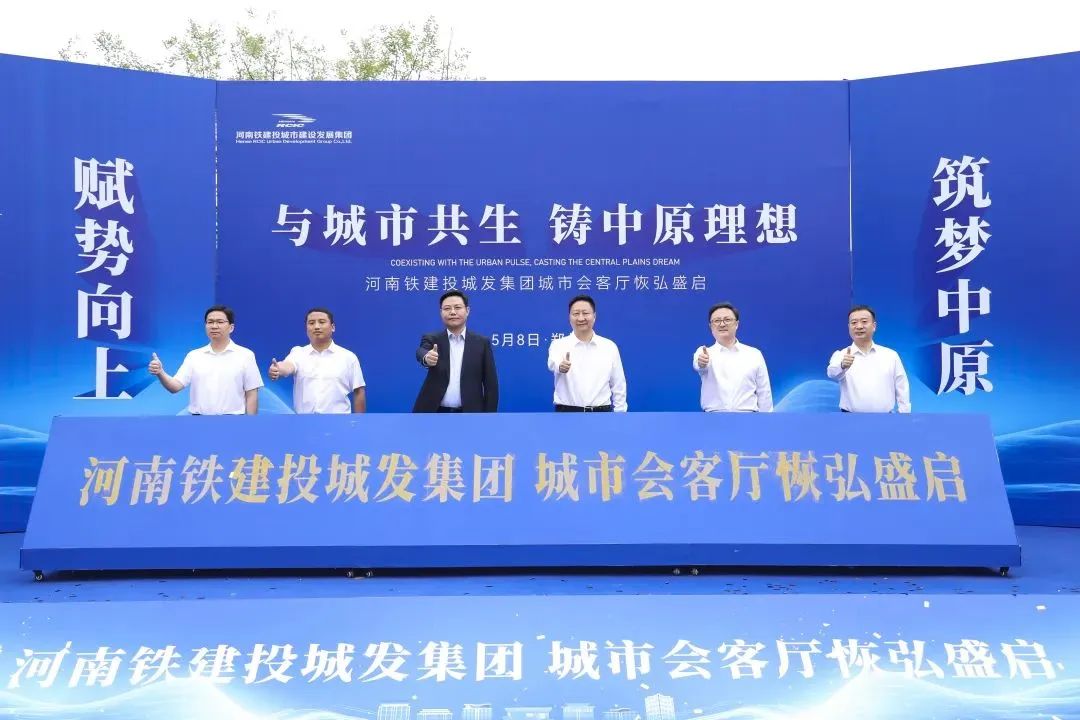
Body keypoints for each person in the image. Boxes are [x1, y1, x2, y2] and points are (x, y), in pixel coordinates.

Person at [148, 305, 263, 415]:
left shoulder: (245, 355)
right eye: (210, 322)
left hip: (233, 421)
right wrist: (160, 372)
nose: (214, 326)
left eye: (220, 322)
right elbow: (175, 387)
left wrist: (250, 424)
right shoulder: (194, 356)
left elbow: (252, 393)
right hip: (199, 421)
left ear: (231, 327)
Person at [413, 290, 499, 413]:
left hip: (470, 413)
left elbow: (491, 385)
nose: (452, 312)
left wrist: (490, 417)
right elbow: (421, 351)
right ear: (441, 312)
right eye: (447, 308)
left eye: (457, 307)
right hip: (434, 412)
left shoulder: (482, 343)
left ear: (467, 311)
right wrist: (426, 357)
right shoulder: (432, 339)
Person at [268, 307, 366, 413]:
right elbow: (287, 366)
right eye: (311, 323)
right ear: (306, 328)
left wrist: (359, 421)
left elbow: (358, 391)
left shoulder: (348, 357)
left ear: (333, 327)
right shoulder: (298, 353)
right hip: (305, 421)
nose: (316, 327)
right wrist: (278, 369)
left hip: (339, 421)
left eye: (322, 322)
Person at [547, 295, 627, 412]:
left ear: (594, 316)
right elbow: (552, 363)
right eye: (576, 314)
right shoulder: (559, 345)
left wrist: (620, 413)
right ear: (569, 317)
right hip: (567, 413)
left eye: (585, 313)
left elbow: (618, 383)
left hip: (601, 413)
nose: (581, 318)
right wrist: (561, 366)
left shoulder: (609, 346)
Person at [827, 305, 911, 413]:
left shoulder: (890, 355)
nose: (859, 326)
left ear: (874, 326)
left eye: (864, 321)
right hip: (850, 418)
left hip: (885, 418)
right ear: (849, 327)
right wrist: (842, 365)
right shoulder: (841, 355)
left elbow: (901, 385)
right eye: (854, 323)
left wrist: (904, 414)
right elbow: (831, 373)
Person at [693, 302, 773, 412]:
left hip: (748, 417)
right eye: (717, 321)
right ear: (711, 326)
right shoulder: (704, 352)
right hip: (714, 417)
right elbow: (699, 365)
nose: (722, 324)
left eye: (727, 319)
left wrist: (767, 420)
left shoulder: (754, 354)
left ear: (737, 324)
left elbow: (764, 392)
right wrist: (702, 363)